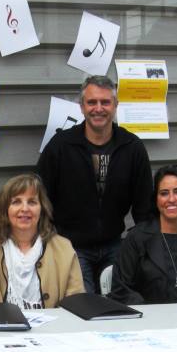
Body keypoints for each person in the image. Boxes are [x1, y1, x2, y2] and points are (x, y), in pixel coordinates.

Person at [37, 75, 152, 294]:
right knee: (83, 303)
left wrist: (141, 245)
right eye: (91, 102)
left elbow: (144, 206)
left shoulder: (132, 147)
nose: (98, 108)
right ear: (82, 106)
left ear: (115, 105)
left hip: (115, 245)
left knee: (121, 301)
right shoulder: (61, 145)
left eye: (105, 102)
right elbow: (40, 197)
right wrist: (50, 241)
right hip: (71, 246)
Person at [0, 173, 84, 308]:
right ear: (5, 210)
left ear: (42, 209)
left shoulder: (63, 249)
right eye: (16, 202)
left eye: (32, 202)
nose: (25, 209)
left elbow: (76, 300)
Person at [110, 165, 177, 304]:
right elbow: (121, 289)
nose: (171, 199)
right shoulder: (137, 238)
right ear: (156, 200)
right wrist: (152, 312)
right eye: (164, 193)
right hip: (148, 315)